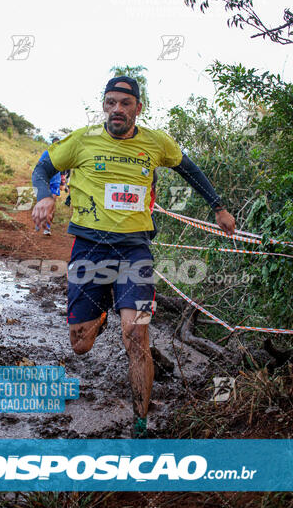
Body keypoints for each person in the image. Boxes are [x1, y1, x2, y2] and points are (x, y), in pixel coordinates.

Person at [31, 76, 236, 437]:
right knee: (80, 344)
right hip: (89, 248)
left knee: (136, 334)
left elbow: (189, 168)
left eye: (125, 104)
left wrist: (218, 207)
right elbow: (44, 167)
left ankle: (141, 424)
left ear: (138, 109)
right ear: (104, 106)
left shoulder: (156, 143)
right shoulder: (82, 139)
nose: (117, 110)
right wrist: (43, 195)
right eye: (111, 103)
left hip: (134, 250)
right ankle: (103, 313)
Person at [36, 137, 62, 235]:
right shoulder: (46, 153)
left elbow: (65, 168)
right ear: (51, 145)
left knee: (52, 205)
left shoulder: (62, 154)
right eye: (55, 144)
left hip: (55, 182)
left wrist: (63, 182)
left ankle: (48, 227)